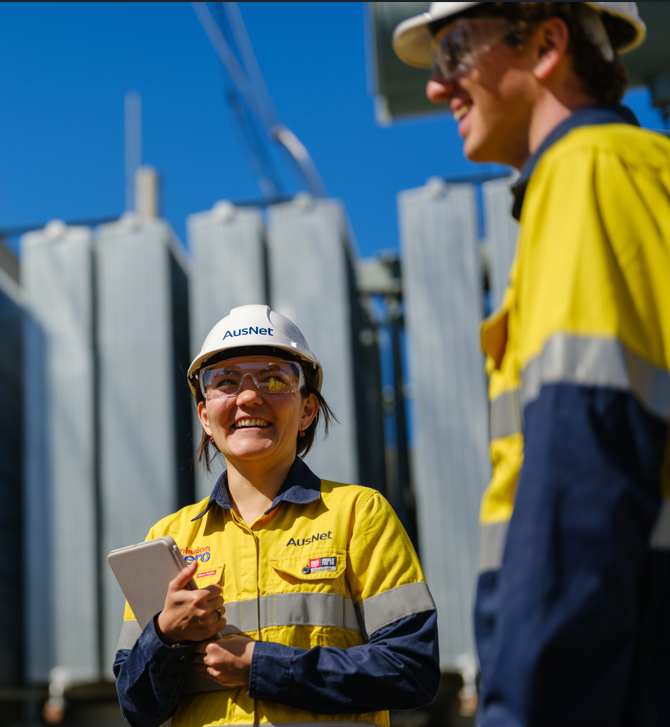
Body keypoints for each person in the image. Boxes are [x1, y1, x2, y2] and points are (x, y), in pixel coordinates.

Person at [393, 3, 669, 723]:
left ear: (548, 43)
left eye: (454, 51)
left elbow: (580, 477)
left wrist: (528, 704)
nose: (436, 86)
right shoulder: (627, 175)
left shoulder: (587, 174)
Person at [113, 305, 440, 727]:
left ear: (307, 410)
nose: (249, 397)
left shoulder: (359, 514)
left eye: (273, 379)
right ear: (205, 417)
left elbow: (411, 669)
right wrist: (166, 635)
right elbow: (136, 707)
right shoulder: (168, 537)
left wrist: (261, 666)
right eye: (226, 382)